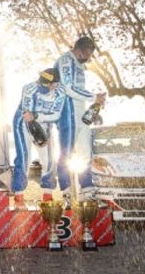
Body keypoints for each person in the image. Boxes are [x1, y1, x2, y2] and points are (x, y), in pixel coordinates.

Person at [54, 36, 106, 204]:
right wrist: (93, 96)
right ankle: (67, 192)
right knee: (66, 152)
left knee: (85, 152)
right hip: (66, 113)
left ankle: (87, 190)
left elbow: (79, 93)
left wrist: (93, 110)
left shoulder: (80, 65)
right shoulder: (65, 60)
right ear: (78, 49)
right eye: (87, 54)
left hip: (81, 114)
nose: (88, 58)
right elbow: (68, 88)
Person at [11, 68, 65, 208]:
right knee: (24, 157)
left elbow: (56, 115)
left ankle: (47, 194)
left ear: (55, 84)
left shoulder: (60, 93)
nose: (42, 86)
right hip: (23, 123)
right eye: (42, 82)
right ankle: (19, 195)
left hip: (44, 122)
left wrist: (42, 135)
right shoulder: (29, 88)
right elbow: (28, 116)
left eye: (46, 84)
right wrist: (37, 137)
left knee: (48, 158)